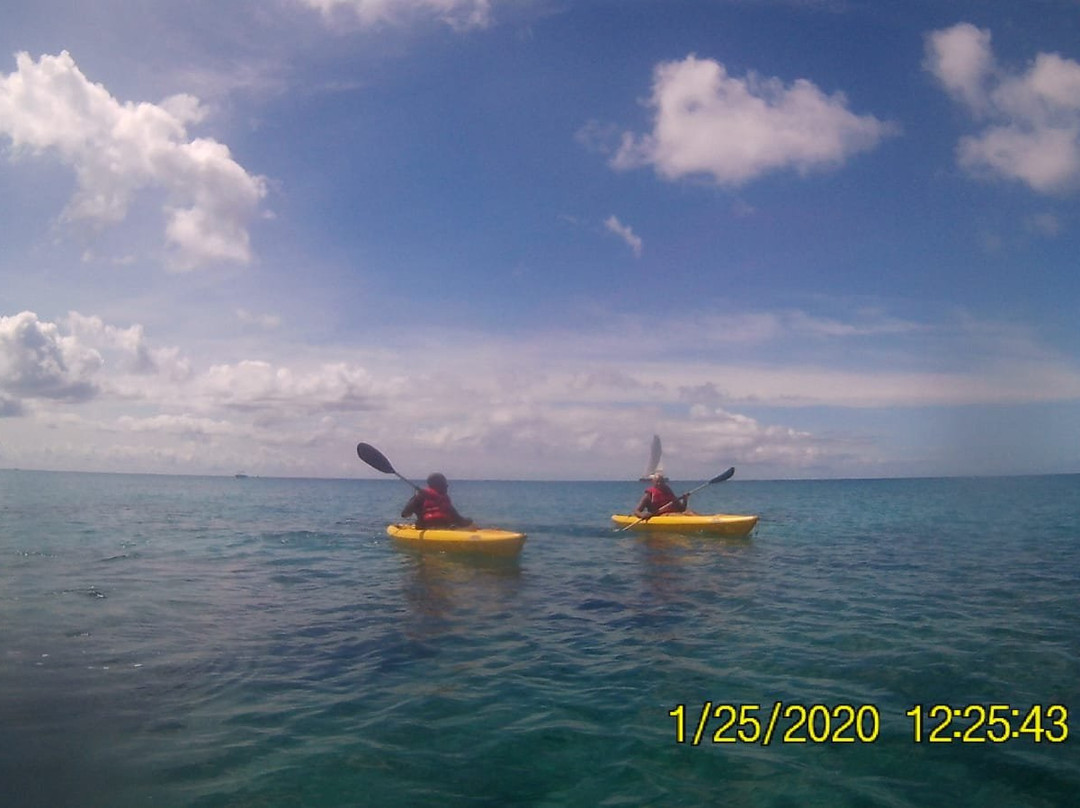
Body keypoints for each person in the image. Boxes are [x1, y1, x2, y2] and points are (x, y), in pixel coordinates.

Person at [401, 473, 474, 529]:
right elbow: (460, 520)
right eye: (444, 484)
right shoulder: (441, 499)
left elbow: (405, 514)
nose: (447, 486)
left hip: (428, 528)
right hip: (438, 528)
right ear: (436, 485)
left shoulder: (420, 497)